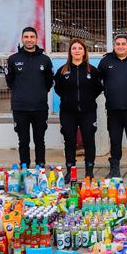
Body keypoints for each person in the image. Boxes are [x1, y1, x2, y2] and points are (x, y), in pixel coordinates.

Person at [98, 34, 127, 180]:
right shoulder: (106, 61)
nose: (120, 46)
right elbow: (100, 80)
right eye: (117, 44)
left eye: (123, 44)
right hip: (113, 109)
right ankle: (115, 170)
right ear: (114, 46)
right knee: (115, 140)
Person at [5, 27, 53, 168]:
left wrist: (39, 93)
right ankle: (24, 167)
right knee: (23, 141)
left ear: (36, 39)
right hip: (20, 108)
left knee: (40, 140)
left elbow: (49, 82)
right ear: (22, 39)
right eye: (26, 37)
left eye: (32, 37)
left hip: (40, 108)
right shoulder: (13, 59)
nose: (29, 39)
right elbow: (10, 81)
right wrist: (21, 94)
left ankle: (40, 167)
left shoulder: (45, 60)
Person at [54, 38, 103, 178]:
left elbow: (98, 89)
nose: (77, 51)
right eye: (74, 48)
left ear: (84, 51)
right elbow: (58, 88)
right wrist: (69, 99)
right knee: (69, 141)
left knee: (89, 140)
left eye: (80, 48)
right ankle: (70, 171)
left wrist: (87, 99)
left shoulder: (92, 71)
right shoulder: (62, 71)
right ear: (70, 51)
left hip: (88, 112)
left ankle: (89, 171)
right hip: (68, 113)